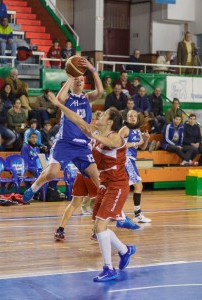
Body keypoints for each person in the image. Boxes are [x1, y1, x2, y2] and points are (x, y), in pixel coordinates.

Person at [49, 95, 136, 282]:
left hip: (118, 186)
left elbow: (110, 143)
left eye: (104, 114)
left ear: (110, 121)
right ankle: (125, 250)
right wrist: (59, 104)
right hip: (105, 185)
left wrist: (91, 133)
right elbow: (77, 119)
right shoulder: (98, 131)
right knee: (98, 227)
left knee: (100, 226)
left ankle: (108, 268)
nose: (100, 115)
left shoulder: (116, 138)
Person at [23, 57, 103, 203]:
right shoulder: (68, 98)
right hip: (65, 142)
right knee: (52, 173)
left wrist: (92, 69)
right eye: (77, 79)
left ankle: (115, 212)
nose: (79, 81)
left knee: (98, 180)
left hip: (82, 145)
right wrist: (71, 77)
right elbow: (59, 99)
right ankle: (34, 187)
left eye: (82, 80)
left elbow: (100, 91)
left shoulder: (87, 97)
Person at [119, 109, 151, 223]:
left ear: (137, 118)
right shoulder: (125, 129)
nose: (132, 117)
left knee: (124, 188)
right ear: (127, 118)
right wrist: (135, 143)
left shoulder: (137, 130)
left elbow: (142, 147)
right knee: (138, 186)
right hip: (125, 159)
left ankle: (117, 212)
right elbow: (117, 144)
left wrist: (146, 139)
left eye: (134, 116)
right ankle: (137, 215)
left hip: (131, 160)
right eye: (130, 116)